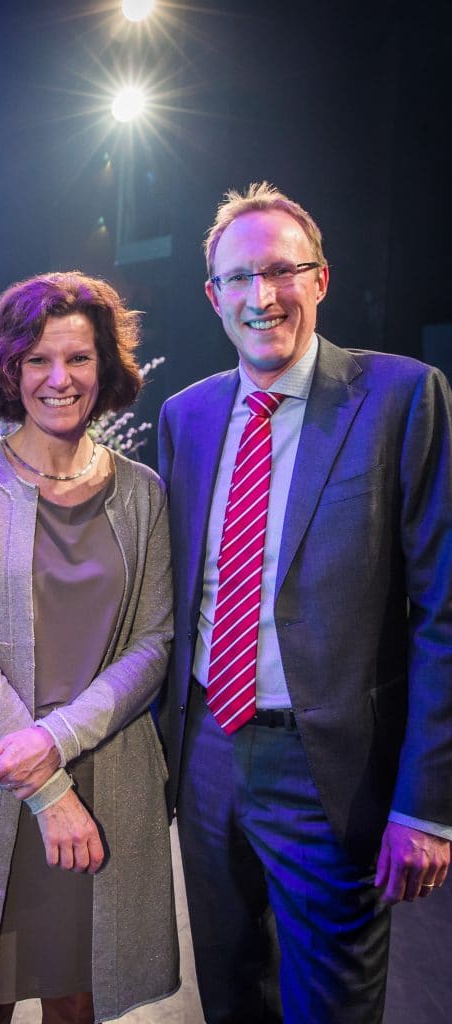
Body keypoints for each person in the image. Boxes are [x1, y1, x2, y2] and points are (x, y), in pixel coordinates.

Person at [158, 181, 452, 1023]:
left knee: (330, 1005)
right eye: (240, 279)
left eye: (282, 271)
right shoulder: (187, 415)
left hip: (332, 769)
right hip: (208, 749)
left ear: (320, 279)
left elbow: (442, 613)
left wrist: (425, 805)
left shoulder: (400, 397)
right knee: (227, 989)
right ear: (214, 296)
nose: (263, 296)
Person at [0, 271, 179, 1024]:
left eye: (79, 359)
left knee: (76, 998)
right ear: (8, 370)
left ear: (105, 368)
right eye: (37, 360)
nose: (60, 379)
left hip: (107, 775)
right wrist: (49, 791)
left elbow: (152, 644)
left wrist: (55, 740)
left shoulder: (143, 491)